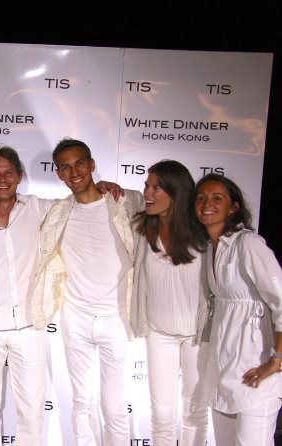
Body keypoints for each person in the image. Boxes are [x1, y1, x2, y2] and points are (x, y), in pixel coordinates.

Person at [0, 145, 123, 446]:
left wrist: (102, 186)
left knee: (33, 411)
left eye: (8, 173)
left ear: (19, 176)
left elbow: (80, 200)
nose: (3, 180)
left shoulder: (38, 207)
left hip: (30, 326)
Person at [31, 138, 144, 446]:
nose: (74, 172)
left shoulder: (126, 202)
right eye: (65, 167)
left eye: (80, 163)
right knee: (82, 402)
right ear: (58, 174)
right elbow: (13, 206)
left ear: (92, 164)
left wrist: (112, 188)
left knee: (115, 407)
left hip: (117, 317)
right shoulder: (56, 212)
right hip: (76, 317)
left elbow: (164, 205)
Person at [195, 173, 282, 445]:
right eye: (201, 198)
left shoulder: (248, 243)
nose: (207, 203)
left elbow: (281, 301)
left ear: (233, 207)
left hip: (255, 371)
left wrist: (276, 361)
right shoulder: (209, 249)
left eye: (217, 198)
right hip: (221, 372)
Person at [130, 160, 209, 446]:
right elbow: (120, 199)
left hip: (198, 337)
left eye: (156, 188)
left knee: (195, 412)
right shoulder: (141, 227)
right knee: (161, 414)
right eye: (146, 186)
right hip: (159, 333)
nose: (147, 193)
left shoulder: (204, 232)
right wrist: (105, 185)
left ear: (176, 192)